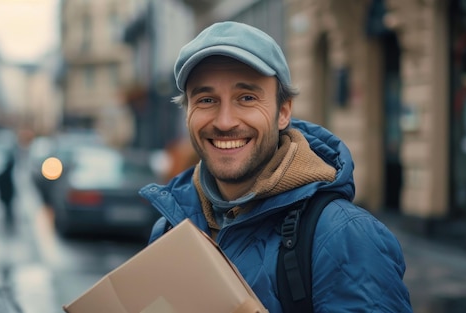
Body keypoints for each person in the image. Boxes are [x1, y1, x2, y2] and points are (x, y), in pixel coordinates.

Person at [139, 21, 413, 312]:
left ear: (282, 112)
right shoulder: (170, 228)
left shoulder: (346, 238)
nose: (225, 121)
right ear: (188, 114)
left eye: (246, 98)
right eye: (206, 100)